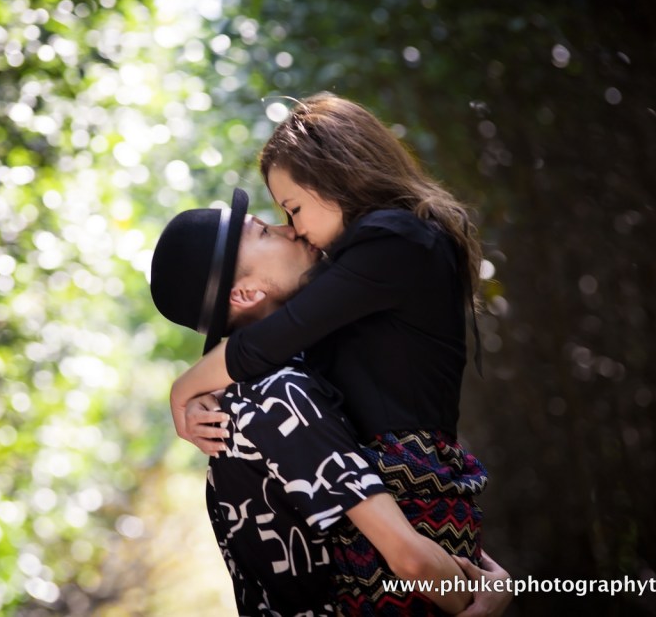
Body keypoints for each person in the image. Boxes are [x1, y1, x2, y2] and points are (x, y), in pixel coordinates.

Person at [171, 94, 507, 615]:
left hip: (414, 487)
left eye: (294, 208)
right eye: (276, 220)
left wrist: (187, 386)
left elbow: (276, 340)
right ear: (243, 295)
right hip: (413, 499)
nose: (293, 227)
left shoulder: (395, 240)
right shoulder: (282, 388)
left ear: (337, 177)